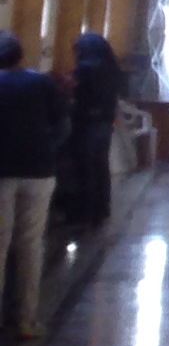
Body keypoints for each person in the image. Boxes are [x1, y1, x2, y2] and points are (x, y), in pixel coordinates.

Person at [0, 32, 62, 340]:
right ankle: (25, 319)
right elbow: (61, 121)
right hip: (39, 170)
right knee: (29, 243)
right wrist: (48, 149)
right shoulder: (40, 82)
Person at [60, 33, 127, 229]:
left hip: (85, 122)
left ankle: (82, 212)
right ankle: (100, 209)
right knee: (100, 166)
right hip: (105, 122)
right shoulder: (112, 68)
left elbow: (77, 93)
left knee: (83, 168)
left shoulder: (85, 68)